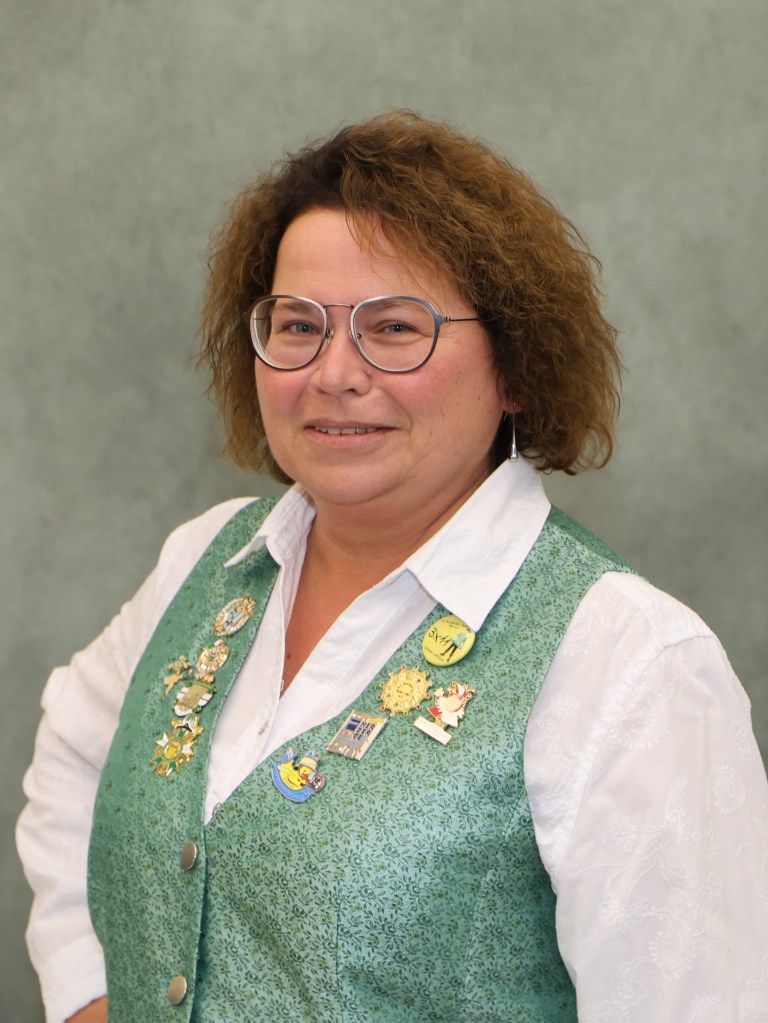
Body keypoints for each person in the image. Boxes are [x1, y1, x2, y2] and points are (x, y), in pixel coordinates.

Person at [17, 111, 768, 1023]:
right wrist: (89, 995)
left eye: (397, 327)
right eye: (299, 324)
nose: (334, 372)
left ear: (516, 366)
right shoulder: (203, 562)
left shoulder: (629, 661)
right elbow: (74, 757)